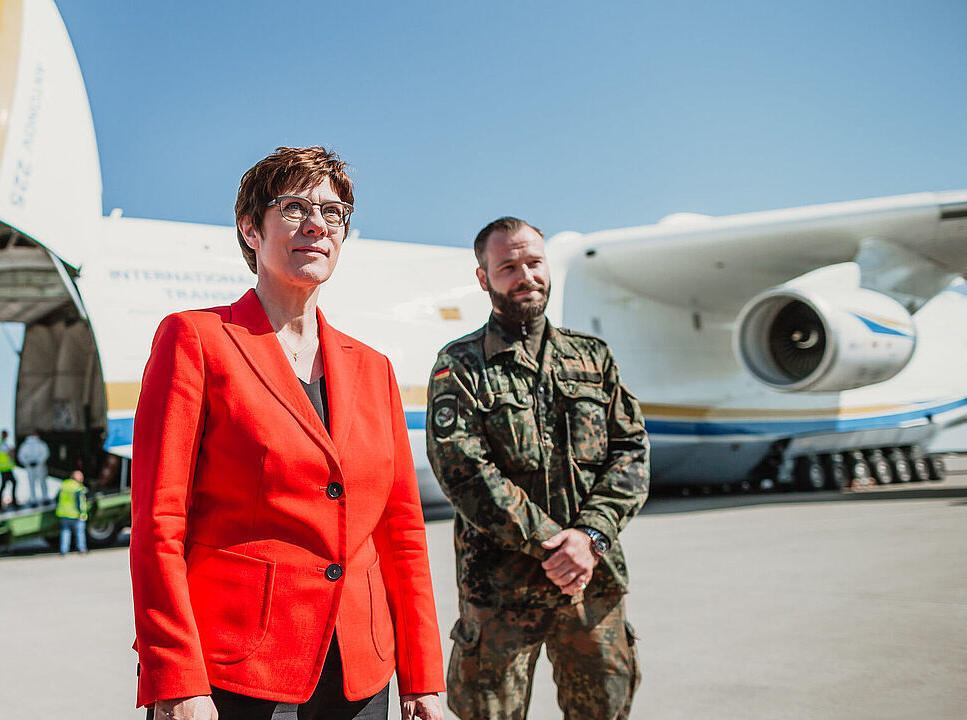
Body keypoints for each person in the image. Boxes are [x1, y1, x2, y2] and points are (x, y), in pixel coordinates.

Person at [130, 147, 444, 720]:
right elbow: (158, 522)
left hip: (359, 668)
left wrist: (423, 677)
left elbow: (401, 534)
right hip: (237, 667)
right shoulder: (196, 341)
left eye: (334, 211)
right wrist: (174, 676)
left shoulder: (374, 369)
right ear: (251, 228)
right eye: (295, 207)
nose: (318, 224)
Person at [426, 217, 650, 720]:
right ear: (483, 278)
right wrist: (556, 544)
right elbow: (464, 471)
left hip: (591, 585)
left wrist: (589, 537)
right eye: (507, 266)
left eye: (534, 262)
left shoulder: (592, 359)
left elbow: (631, 452)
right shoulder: (459, 365)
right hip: (499, 592)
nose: (525, 275)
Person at [55, 470, 88, 556]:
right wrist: (81, 513)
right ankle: (82, 549)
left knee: (65, 532)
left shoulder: (64, 485)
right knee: (79, 533)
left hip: (63, 513)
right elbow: (79, 502)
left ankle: (63, 550)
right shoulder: (78, 488)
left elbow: (57, 498)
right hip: (75, 514)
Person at [16, 430, 51, 506]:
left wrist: (27, 463)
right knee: (41, 482)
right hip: (38, 466)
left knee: (32, 483)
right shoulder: (41, 444)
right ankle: (44, 497)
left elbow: (21, 456)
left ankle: (33, 499)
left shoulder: (24, 445)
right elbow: (45, 453)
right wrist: (38, 461)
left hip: (32, 467)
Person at [0, 430, 19, 511]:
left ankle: (4, 504)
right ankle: (10, 503)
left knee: (9, 484)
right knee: (7, 484)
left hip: (5, 468)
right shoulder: (2, 444)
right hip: (5, 469)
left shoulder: (2, 444)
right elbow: (10, 453)